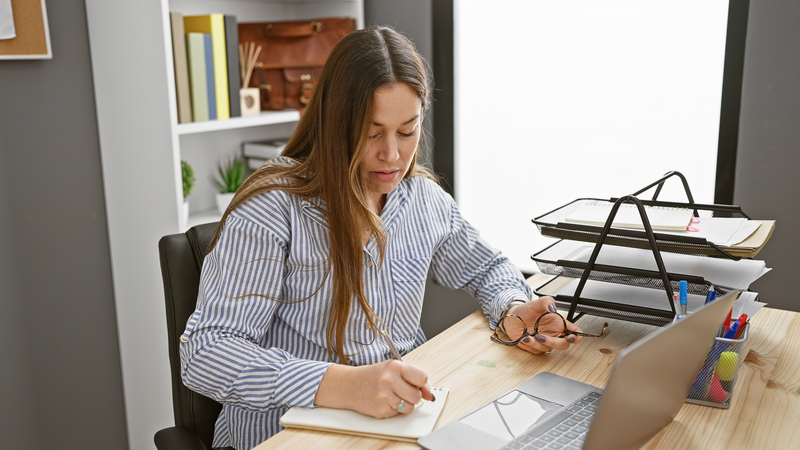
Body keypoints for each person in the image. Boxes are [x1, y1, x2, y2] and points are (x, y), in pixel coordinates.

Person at [179, 26, 585, 450]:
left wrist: (512, 308)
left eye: (407, 132)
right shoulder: (272, 206)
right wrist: (340, 385)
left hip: (398, 427)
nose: (391, 155)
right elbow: (207, 354)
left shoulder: (422, 198)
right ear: (335, 123)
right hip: (284, 436)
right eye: (372, 133)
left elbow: (487, 268)